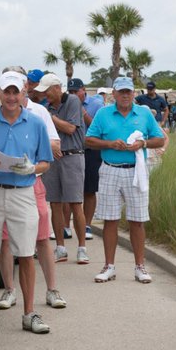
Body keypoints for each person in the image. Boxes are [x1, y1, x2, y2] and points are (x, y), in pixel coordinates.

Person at [0, 71, 53, 336]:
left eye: (15, 91)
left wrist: (31, 169)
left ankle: (29, 314)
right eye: (6, 91)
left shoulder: (36, 123)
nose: (11, 96)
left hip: (22, 192)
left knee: (27, 253)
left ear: (24, 93)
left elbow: (45, 162)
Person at [0, 67, 67, 312]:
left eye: (18, 82)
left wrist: (30, 143)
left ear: (25, 85)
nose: (13, 92)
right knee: (5, 239)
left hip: (32, 181)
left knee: (41, 237)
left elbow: (55, 145)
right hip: (4, 183)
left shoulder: (39, 112)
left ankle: (52, 289)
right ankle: (9, 290)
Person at [85, 77, 165, 284]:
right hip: (110, 169)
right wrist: (110, 144)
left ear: (133, 93)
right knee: (110, 220)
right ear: (114, 93)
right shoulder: (103, 113)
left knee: (137, 220)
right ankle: (109, 266)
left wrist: (143, 143)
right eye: (121, 92)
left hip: (136, 171)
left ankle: (140, 266)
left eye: (128, 91)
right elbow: (89, 140)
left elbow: (160, 139)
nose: (125, 95)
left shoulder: (144, 113)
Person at [34, 73, 89, 265]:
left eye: (47, 91)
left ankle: (82, 248)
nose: (45, 95)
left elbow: (70, 129)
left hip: (72, 156)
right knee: (55, 204)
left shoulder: (72, 100)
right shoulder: (46, 107)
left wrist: (50, 118)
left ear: (57, 88)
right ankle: (60, 248)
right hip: (53, 159)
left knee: (75, 203)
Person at [67, 78, 103, 240]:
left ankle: (87, 225)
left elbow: (99, 128)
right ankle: (65, 226)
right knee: (69, 191)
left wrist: (83, 112)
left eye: (76, 91)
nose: (74, 95)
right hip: (72, 151)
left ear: (84, 90)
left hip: (90, 151)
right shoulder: (66, 103)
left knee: (89, 190)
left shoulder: (96, 104)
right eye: (71, 92)